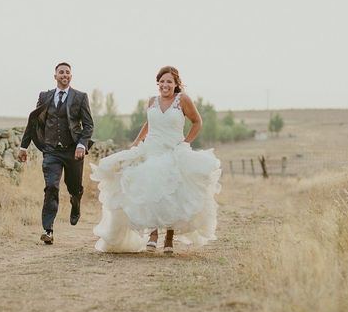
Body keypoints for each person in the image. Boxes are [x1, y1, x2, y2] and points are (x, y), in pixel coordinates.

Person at [91, 66, 221, 254]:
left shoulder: (182, 100)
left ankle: (168, 238)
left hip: (173, 149)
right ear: (157, 83)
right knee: (149, 188)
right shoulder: (152, 101)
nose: (165, 85)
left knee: (171, 192)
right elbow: (149, 123)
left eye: (169, 81)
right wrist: (137, 141)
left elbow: (197, 122)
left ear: (176, 84)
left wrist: (185, 143)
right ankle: (153, 235)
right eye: (162, 81)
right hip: (151, 149)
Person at [18, 62, 94, 245]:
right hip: (51, 151)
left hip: (73, 151)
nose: (64, 75)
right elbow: (34, 121)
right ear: (55, 76)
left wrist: (82, 145)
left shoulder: (80, 97)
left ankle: (75, 203)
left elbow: (88, 125)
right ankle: (48, 230)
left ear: (71, 76)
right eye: (61, 72)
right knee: (51, 187)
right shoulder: (44, 96)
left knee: (74, 187)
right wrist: (24, 146)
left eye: (67, 72)